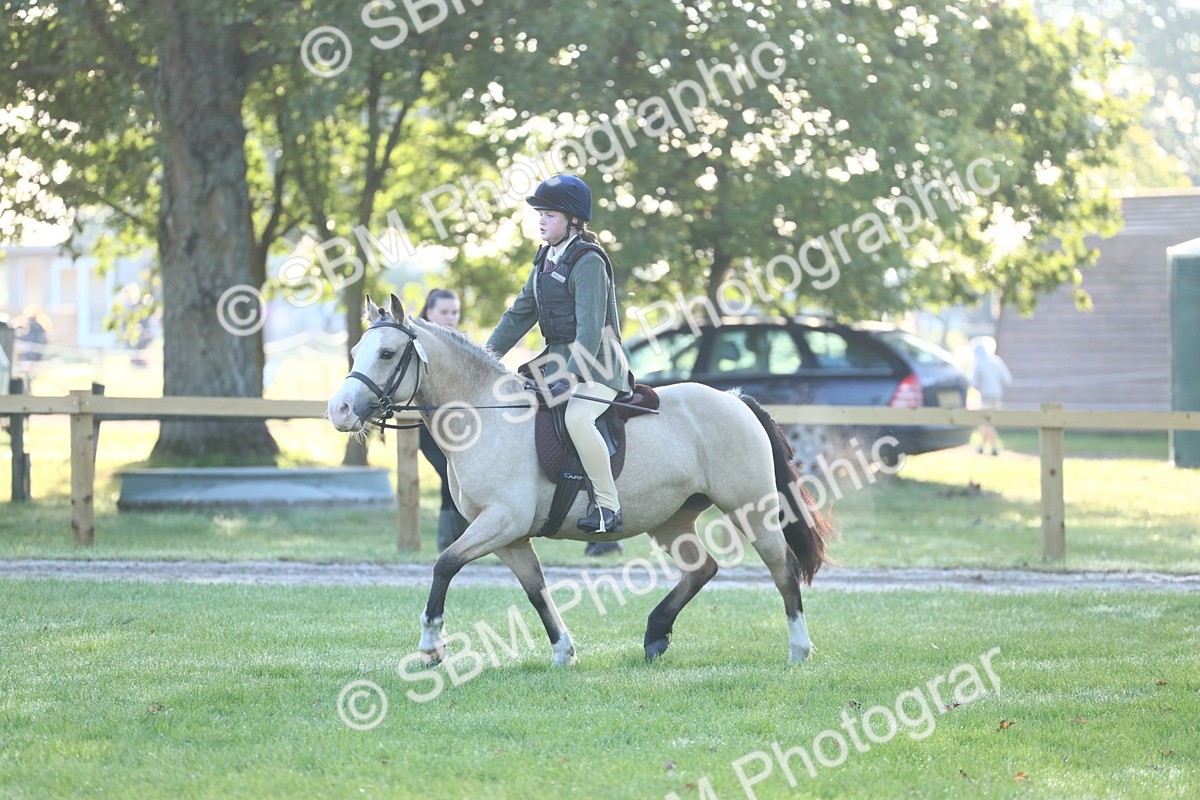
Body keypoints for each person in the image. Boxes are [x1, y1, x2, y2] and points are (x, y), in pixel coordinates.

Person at [485, 174, 633, 551]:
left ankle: (607, 508)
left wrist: (570, 376)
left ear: (572, 220)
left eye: (548, 214)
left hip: (598, 363)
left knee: (576, 417)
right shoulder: (545, 260)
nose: (541, 220)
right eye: (540, 213)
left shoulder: (587, 261)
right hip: (556, 359)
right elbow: (518, 315)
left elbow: (589, 329)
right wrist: (484, 358)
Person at [418, 288, 472, 551]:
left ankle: (456, 543)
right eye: (444, 312)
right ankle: (451, 541)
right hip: (428, 428)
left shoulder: (463, 345)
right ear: (429, 313)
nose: (451, 318)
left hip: (460, 427)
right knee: (449, 476)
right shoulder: (417, 346)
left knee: (459, 479)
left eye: (455, 312)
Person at [969, 336, 1012, 456]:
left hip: (986, 397)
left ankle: (994, 446)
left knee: (987, 422)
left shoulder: (978, 363)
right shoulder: (996, 361)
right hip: (997, 396)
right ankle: (982, 446)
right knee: (987, 422)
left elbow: (973, 383)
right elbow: (1007, 379)